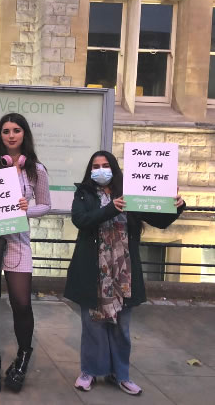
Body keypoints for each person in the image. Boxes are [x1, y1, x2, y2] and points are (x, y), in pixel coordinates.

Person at [64, 150, 184, 395]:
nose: (100, 170)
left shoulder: (131, 193)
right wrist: (112, 209)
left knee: (122, 327)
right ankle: (89, 371)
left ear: (114, 168)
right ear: (90, 171)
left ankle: (120, 374)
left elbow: (159, 220)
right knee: (93, 325)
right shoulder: (83, 193)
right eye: (95, 166)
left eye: (105, 165)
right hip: (93, 271)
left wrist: (176, 206)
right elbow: (81, 220)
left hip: (124, 271)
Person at [0, 113, 51, 393]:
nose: (11, 135)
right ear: (0, 135)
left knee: (21, 303)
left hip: (18, 240)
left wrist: (29, 210)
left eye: (16, 130)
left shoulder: (36, 170)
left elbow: (45, 204)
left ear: (24, 134)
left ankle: (23, 355)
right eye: (6, 131)